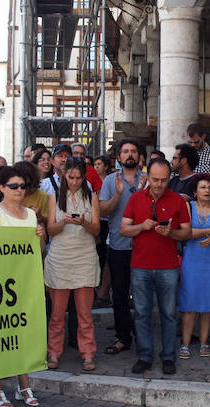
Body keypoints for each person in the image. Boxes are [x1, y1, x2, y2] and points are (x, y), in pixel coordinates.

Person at [0, 167, 45, 406]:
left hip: (24, 281)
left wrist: (40, 235)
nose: (19, 190)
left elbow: (37, 251)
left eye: (23, 186)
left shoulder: (30, 214)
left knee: (23, 334)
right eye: (13, 186)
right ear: (2, 188)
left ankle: (24, 384)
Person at [120, 158, 191, 375]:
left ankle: (168, 357)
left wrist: (171, 233)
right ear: (147, 177)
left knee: (169, 314)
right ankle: (145, 356)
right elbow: (123, 229)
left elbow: (187, 232)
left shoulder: (178, 200)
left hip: (168, 267)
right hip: (140, 266)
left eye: (163, 180)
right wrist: (141, 226)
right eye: (155, 179)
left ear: (169, 178)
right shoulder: (135, 198)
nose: (159, 184)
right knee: (142, 313)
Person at [44, 159, 101, 371]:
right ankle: (53, 352)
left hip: (84, 257)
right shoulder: (54, 198)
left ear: (84, 177)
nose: (75, 182)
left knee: (84, 314)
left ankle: (88, 353)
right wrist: (64, 222)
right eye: (71, 177)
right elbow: (50, 230)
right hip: (60, 258)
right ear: (64, 176)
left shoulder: (92, 197)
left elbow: (96, 230)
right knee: (57, 314)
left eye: (78, 178)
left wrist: (84, 222)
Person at [99, 139, 147, 355]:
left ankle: (143, 337)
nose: (130, 154)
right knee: (119, 295)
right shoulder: (111, 180)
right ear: (118, 157)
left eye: (133, 151)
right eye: (125, 151)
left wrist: (143, 192)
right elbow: (103, 211)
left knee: (143, 295)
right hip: (119, 245)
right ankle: (123, 337)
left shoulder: (148, 180)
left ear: (139, 156)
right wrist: (118, 194)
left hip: (143, 246)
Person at [178, 174, 210, 359]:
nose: (207, 190)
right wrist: (209, 231)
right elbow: (185, 233)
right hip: (192, 261)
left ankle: (204, 343)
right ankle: (185, 344)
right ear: (195, 191)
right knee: (190, 303)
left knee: (208, 305)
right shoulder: (188, 207)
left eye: (209, 187)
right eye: (203, 187)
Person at [92, 155, 115, 308]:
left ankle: (103, 293)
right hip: (98, 220)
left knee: (107, 257)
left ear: (106, 166)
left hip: (109, 222)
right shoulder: (93, 181)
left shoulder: (112, 180)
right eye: (95, 164)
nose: (96, 167)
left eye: (99, 164)